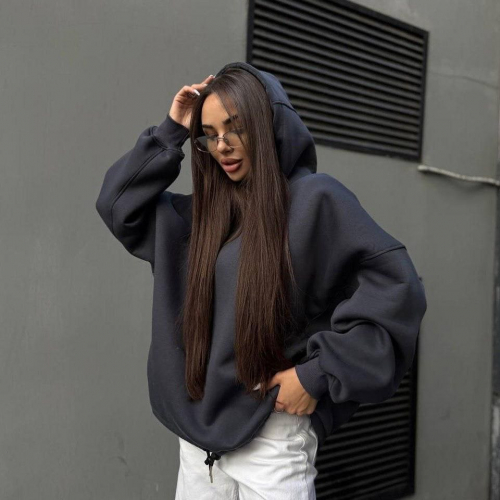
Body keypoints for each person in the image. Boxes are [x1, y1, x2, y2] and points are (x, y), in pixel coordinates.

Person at [95, 61, 427, 498]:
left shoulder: (316, 201)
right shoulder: (201, 216)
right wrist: (172, 130)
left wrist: (317, 373)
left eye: (235, 128)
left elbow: (399, 292)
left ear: (268, 124)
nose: (223, 146)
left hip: (270, 434)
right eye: (209, 135)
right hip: (197, 445)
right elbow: (118, 205)